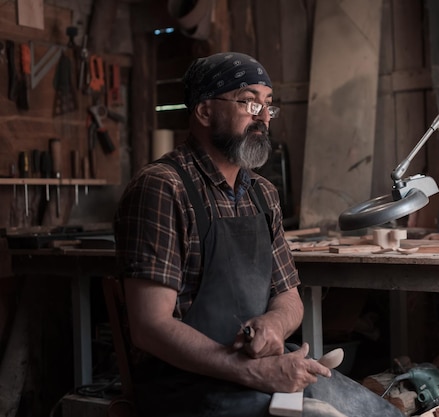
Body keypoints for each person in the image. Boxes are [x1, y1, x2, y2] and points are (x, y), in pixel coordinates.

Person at [114, 52, 404, 417]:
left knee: (380, 413)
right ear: (204, 111)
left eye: (268, 105)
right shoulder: (162, 187)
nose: (264, 118)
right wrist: (253, 371)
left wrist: (273, 324)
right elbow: (149, 327)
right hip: (187, 387)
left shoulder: (262, 193)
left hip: (254, 370)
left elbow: (290, 299)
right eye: (250, 102)